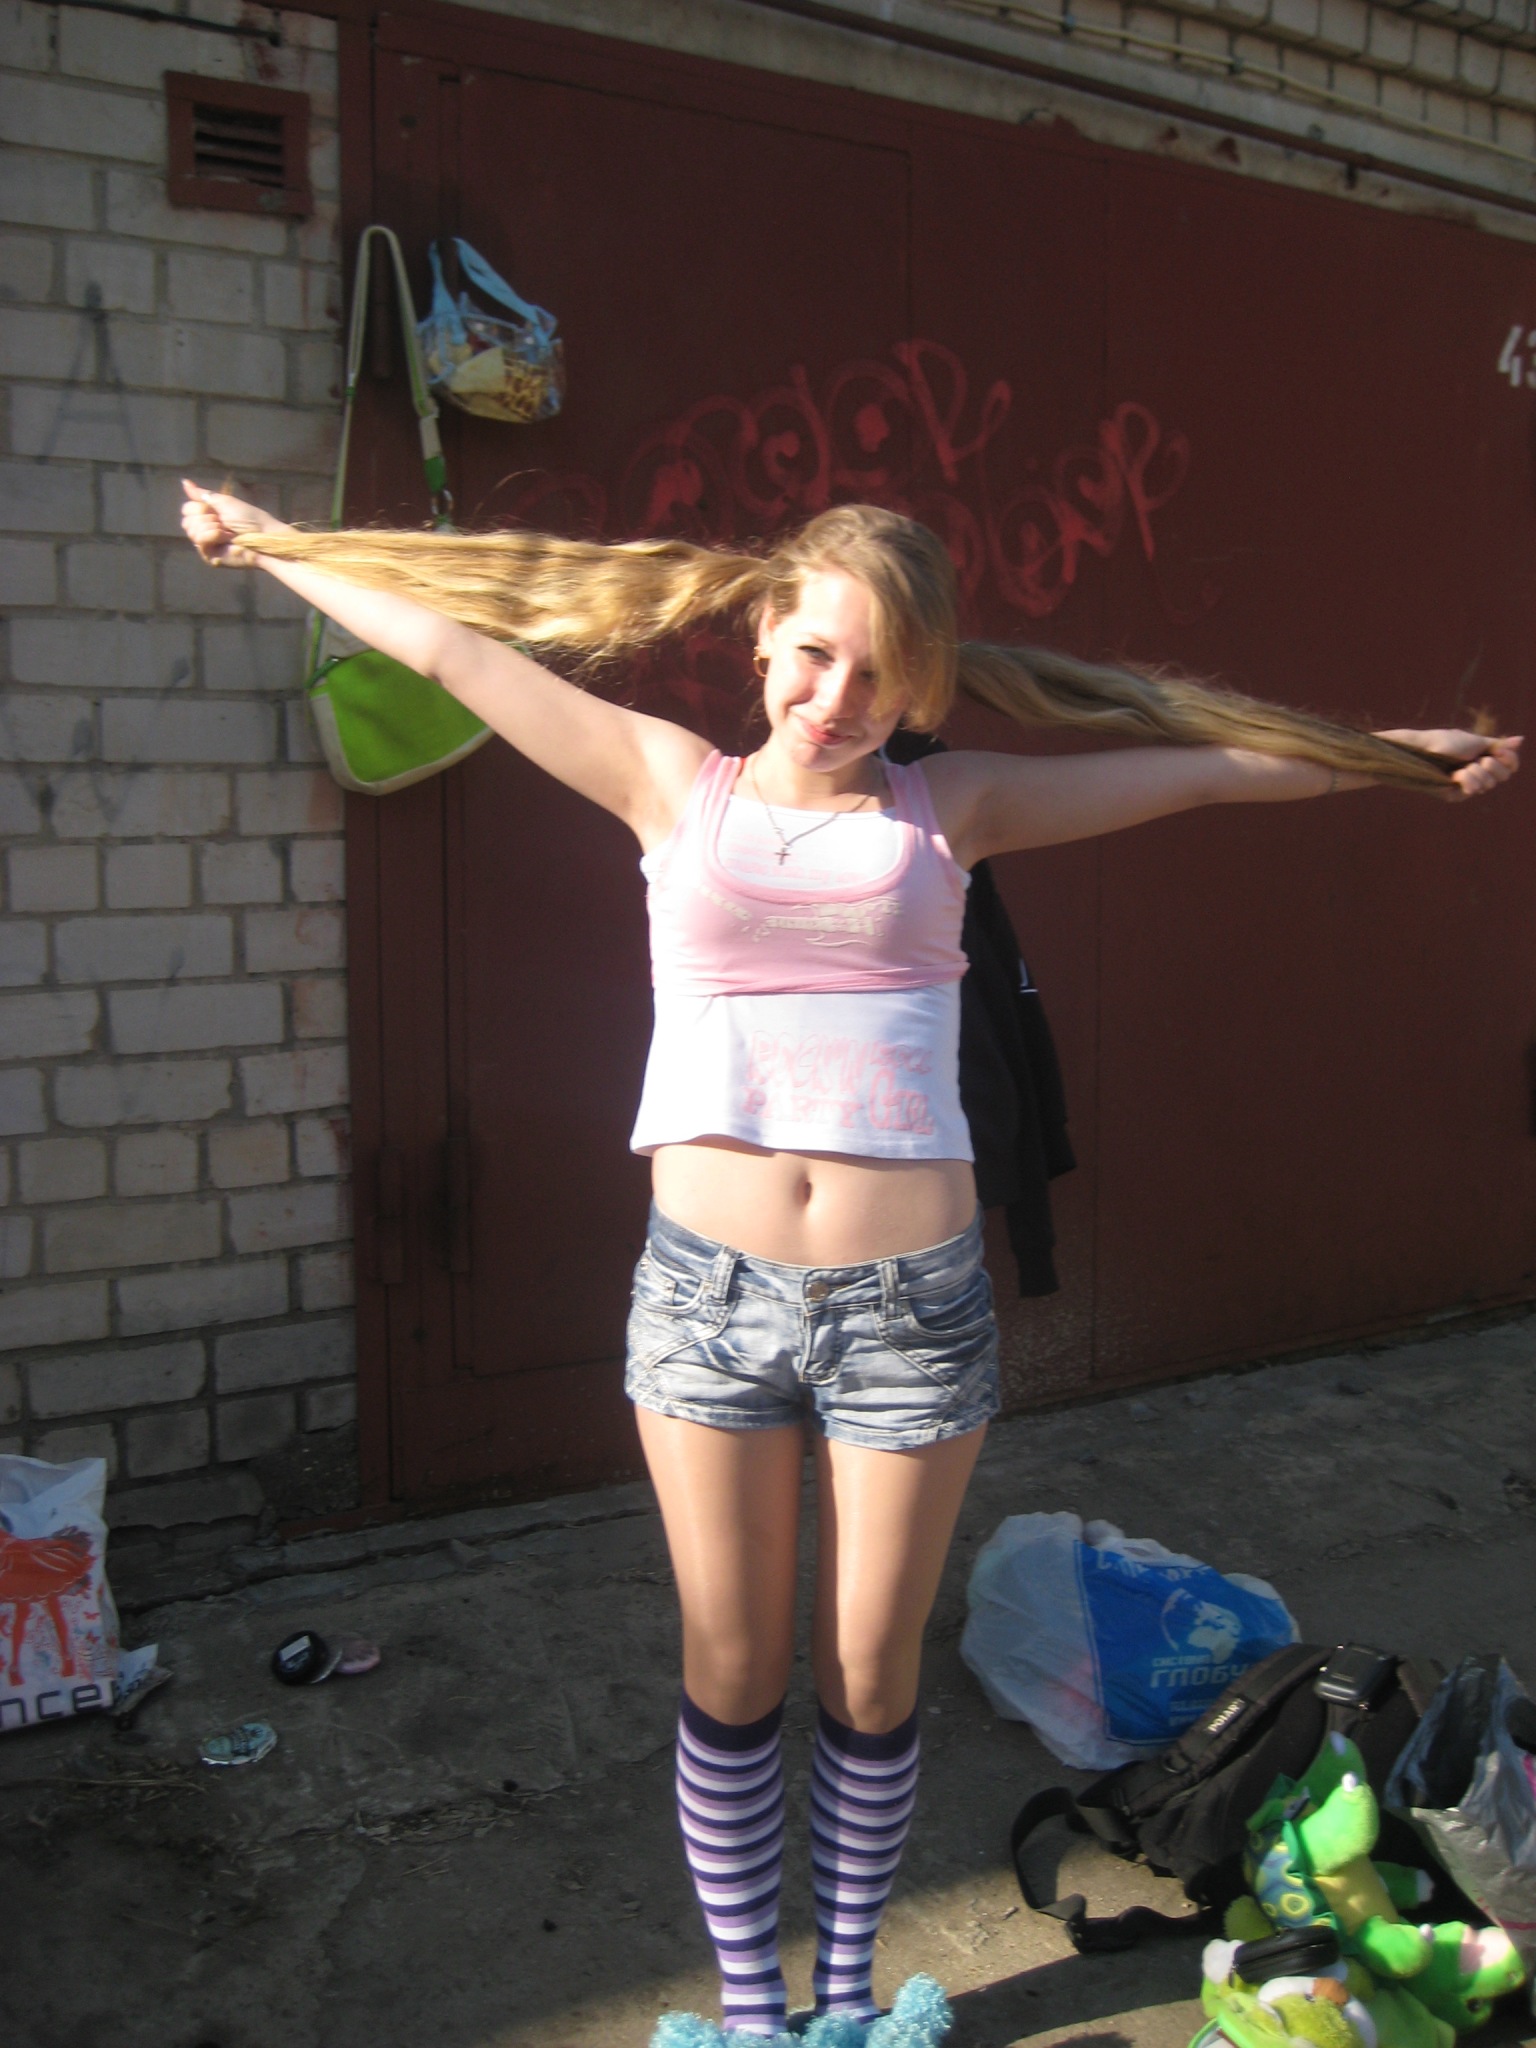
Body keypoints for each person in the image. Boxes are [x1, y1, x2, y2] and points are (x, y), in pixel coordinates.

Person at [179, 485, 1519, 2042]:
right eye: (815, 654)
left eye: (882, 673)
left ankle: (848, 2000)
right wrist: (276, 550)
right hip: (704, 1299)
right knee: (732, 1669)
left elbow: (1198, 768)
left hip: (909, 1312)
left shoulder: (950, 813)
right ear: (763, 636)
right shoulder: (668, 782)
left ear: (924, 684)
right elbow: (458, 652)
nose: (837, 698)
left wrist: (1390, 758)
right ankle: (757, 2011)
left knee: (871, 1678)